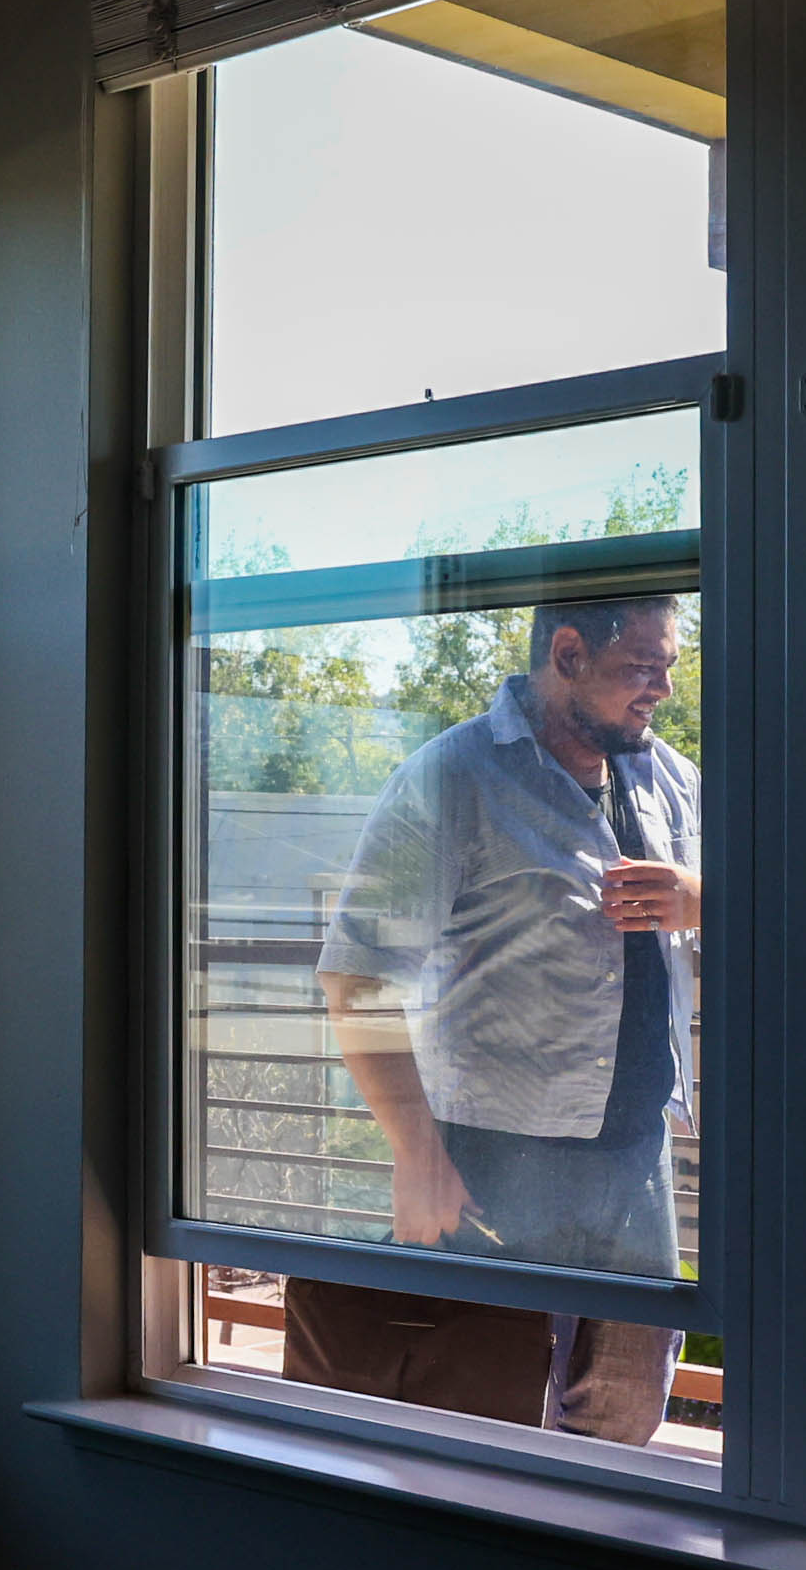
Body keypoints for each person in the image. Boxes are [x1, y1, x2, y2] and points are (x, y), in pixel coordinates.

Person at [283, 596, 697, 1444]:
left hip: (637, 1163)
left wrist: (701, 898)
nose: (662, 688)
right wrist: (416, 1153)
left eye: (669, 667)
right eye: (642, 667)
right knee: (485, 1427)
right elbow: (359, 977)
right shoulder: (451, 777)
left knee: (625, 1417)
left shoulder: (673, 781)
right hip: (492, 1161)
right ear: (569, 653)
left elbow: (766, 913)